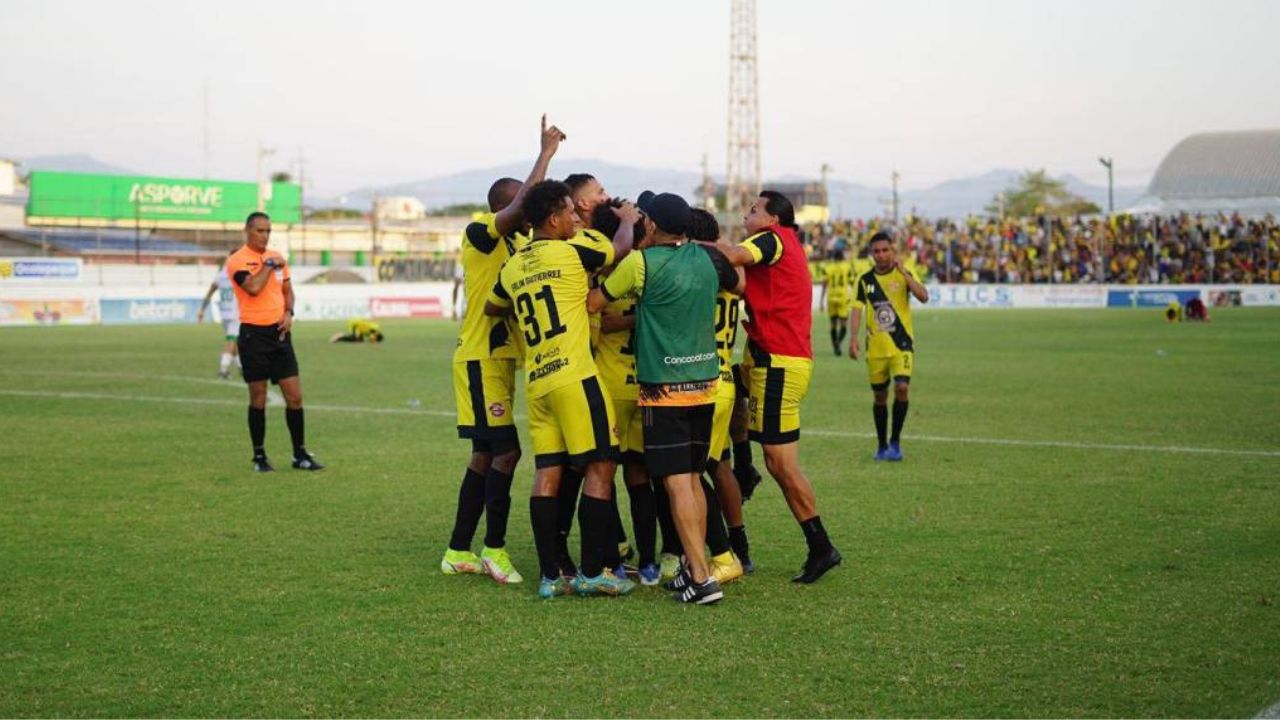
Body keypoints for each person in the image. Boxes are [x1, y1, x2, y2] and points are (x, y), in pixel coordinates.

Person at [589, 192, 744, 605]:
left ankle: (701, 579)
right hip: (705, 383)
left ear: (652, 225)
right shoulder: (708, 258)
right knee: (692, 478)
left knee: (676, 484)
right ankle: (696, 568)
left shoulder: (641, 263)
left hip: (663, 389)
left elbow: (594, 302)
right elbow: (740, 285)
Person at [485, 179, 636, 599]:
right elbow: (620, 249)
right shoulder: (573, 252)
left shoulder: (513, 265)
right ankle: (592, 572)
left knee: (547, 472)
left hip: (539, 383)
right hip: (575, 376)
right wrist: (627, 220)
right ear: (553, 219)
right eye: (570, 212)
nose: (575, 218)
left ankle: (551, 577)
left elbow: (493, 305)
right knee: (601, 466)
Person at [441, 115, 565, 585]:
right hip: (480, 359)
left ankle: (458, 549)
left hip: (502, 361)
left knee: (484, 456)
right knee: (507, 452)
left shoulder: (518, 241)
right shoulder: (479, 232)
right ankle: (493, 548)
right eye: (519, 203)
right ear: (504, 206)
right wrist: (545, 155)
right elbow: (521, 207)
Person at [720, 191, 842, 584]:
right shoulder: (781, 245)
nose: (746, 214)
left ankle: (821, 546)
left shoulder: (770, 240)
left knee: (781, 463)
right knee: (728, 386)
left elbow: (733, 256)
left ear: (773, 219)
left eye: (754, 210)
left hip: (779, 363)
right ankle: (744, 466)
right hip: (767, 359)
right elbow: (746, 286)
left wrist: (693, 241)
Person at [589, 199, 661, 586]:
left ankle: (613, 559)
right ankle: (647, 561)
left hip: (611, 385)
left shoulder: (602, 273)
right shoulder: (650, 268)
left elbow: (601, 319)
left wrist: (623, 319)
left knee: (603, 472)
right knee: (639, 474)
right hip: (647, 384)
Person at [225, 212, 323, 473]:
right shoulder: (237, 261)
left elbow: (288, 291)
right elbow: (253, 287)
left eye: (268, 231)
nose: (265, 236)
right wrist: (268, 265)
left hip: (279, 336)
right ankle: (259, 457)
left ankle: (300, 455)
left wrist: (289, 312)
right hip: (253, 336)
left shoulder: (279, 258)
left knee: (295, 397)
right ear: (247, 231)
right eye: (260, 231)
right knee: (258, 397)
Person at [687, 207, 752, 581]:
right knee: (718, 464)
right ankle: (739, 546)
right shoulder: (729, 269)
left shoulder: (696, 268)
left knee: (690, 474)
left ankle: (721, 552)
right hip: (725, 374)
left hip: (702, 380)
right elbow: (742, 284)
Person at [848, 231, 929, 462]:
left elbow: (923, 296)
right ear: (871, 254)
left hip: (902, 345)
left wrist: (905, 274)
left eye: (885, 250)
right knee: (880, 396)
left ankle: (895, 442)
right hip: (876, 348)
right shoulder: (865, 280)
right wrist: (853, 338)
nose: (881, 255)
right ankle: (882, 445)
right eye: (877, 251)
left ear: (893, 251)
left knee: (902, 388)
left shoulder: (904, 273)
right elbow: (856, 309)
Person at [196, 253, 241, 379]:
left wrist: (202, 309)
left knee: (234, 341)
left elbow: (210, 292)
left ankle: (242, 367)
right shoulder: (238, 273)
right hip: (236, 313)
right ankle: (223, 370)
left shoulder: (220, 275)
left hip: (224, 313)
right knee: (232, 341)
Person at [820, 249, 855, 357]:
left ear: (833, 257)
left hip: (831, 298)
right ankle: (838, 343)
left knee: (833, 324)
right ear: (843, 257)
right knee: (844, 324)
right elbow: (852, 282)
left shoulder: (828, 267)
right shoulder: (847, 267)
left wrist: (821, 300)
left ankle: (836, 347)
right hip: (843, 298)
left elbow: (824, 283)